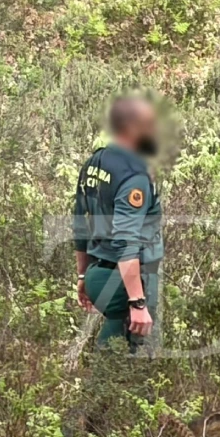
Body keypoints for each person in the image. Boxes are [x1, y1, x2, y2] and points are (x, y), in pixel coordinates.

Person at [73, 95, 164, 351]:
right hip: (124, 282)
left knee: (115, 349)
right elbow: (126, 241)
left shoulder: (94, 163)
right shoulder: (134, 176)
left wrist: (82, 275)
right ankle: (99, 386)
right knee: (126, 355)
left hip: (96, 275)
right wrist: (137, 302)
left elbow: (80, 222)